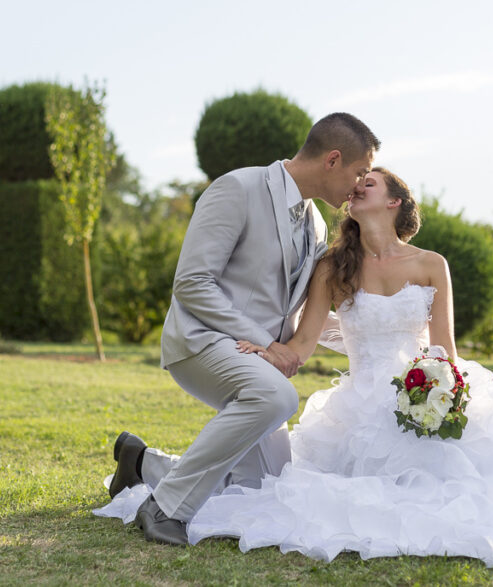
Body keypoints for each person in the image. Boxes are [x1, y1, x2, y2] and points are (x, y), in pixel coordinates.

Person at [97, 167, 493, 565]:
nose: (357, 186)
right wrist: (264, 350)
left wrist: (439, 388)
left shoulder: (432, 265)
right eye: (356, 183)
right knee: (279, 487)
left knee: (453, 481)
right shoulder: (332, 265)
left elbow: (445, 346)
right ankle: (155, 470)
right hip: (357, 404)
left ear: (397, 200)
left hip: (424, 387)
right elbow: (305, 341)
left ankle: (151, 467)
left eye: (371, 182)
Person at [101, 113, 379, 545]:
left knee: (267, 489)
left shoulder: (318, 225)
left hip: (255, 360)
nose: (360, 185)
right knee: (278, 396)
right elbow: (192, 283)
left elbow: (310, 315)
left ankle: (144, 466)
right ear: (333, 159)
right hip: (200, 342)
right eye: (359, 172)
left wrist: (381, 346)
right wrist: (270, 343)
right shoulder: (238, 188)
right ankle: (166, 506)